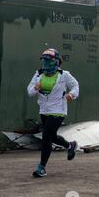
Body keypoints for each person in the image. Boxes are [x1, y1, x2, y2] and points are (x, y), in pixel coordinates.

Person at [27, 49, 79, 178]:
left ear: (56, 61)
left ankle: (42, 167)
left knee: (46, 136)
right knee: (52, 137)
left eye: (48, 60)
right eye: (44, 60)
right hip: (44, 110)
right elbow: (29, 92)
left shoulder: (64, 75)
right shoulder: (38, 74)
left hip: (58, 110)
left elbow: (75, 86)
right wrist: (35, 88)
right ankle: (70, 145)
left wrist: (72, 94)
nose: (45, 63)